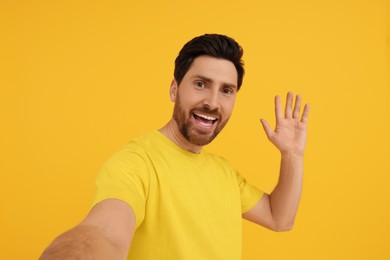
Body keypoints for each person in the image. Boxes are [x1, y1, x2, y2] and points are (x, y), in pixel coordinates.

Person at [40, 34, 310, 260]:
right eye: (201, 84)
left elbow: (280, 218)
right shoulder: (136, 162)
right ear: (174, 89)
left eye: (226, 90)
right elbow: (104, 232)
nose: (213, 102)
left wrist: (292, 155)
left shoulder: (224, 172)